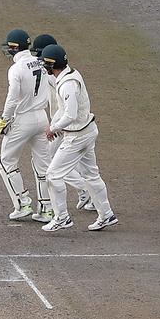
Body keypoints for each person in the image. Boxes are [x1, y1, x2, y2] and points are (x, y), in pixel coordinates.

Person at [39, 45, 118, 232]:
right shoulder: (69, 75)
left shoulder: (67, 85)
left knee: (53, 175)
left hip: (77, 137)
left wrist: (54, 128)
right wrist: (54, 124)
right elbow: (62, 110)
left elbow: (71, 115)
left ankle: (62, 218)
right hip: (87, 131)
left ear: (52, 65)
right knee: (91, 175)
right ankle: (106, 215)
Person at [30, 33, 94, 218]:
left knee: (51, 163)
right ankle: (87, 193)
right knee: (75, 162)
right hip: (65, 123)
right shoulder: (59, 71)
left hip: (63, 123)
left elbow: (65, 108)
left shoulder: (54, 76)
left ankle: (84, 192)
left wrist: (54, 126)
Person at [0, 29, 54, 222]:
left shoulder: (16, 69)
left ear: (13, 47)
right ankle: (46, 209)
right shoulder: (42, 62)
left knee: (6, 161)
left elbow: (12, 98)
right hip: (42, 118)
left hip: (22, 119)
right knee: (42, 165)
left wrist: (4, 119)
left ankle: (22, 203)